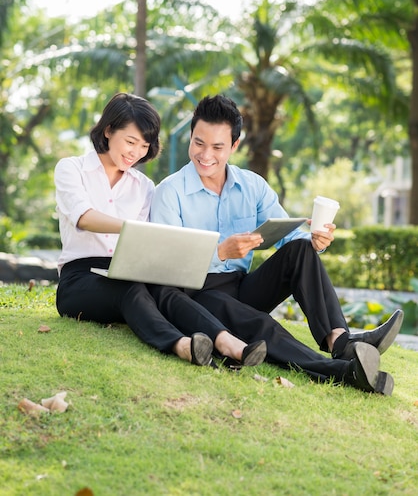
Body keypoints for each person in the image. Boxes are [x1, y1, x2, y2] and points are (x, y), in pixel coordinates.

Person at [150, 94, 404, 394]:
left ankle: (340, 341)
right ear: (190, 138)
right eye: (198, 143)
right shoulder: (169, 192)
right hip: (196, 294)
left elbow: (290, 236)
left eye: (217, 147)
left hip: (241, 287)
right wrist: (220, 252)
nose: (205, 155)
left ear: (234, 146)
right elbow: (166, 267)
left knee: (301, 249)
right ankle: (343, 372)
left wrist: (316, 241)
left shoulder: (252, 186)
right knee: (261, 325)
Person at [54, 92, 266, 368]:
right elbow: (83, 217)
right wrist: (133, 229)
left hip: (124, 271)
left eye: (143, 146)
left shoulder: (144, 187)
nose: (135, 152)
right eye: (130, 141)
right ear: (108, 130)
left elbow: (144, 247)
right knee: (128, 289)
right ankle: (182, 345)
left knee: (167, 291)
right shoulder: (72, 168)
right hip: (78, 281)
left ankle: (227, 341)